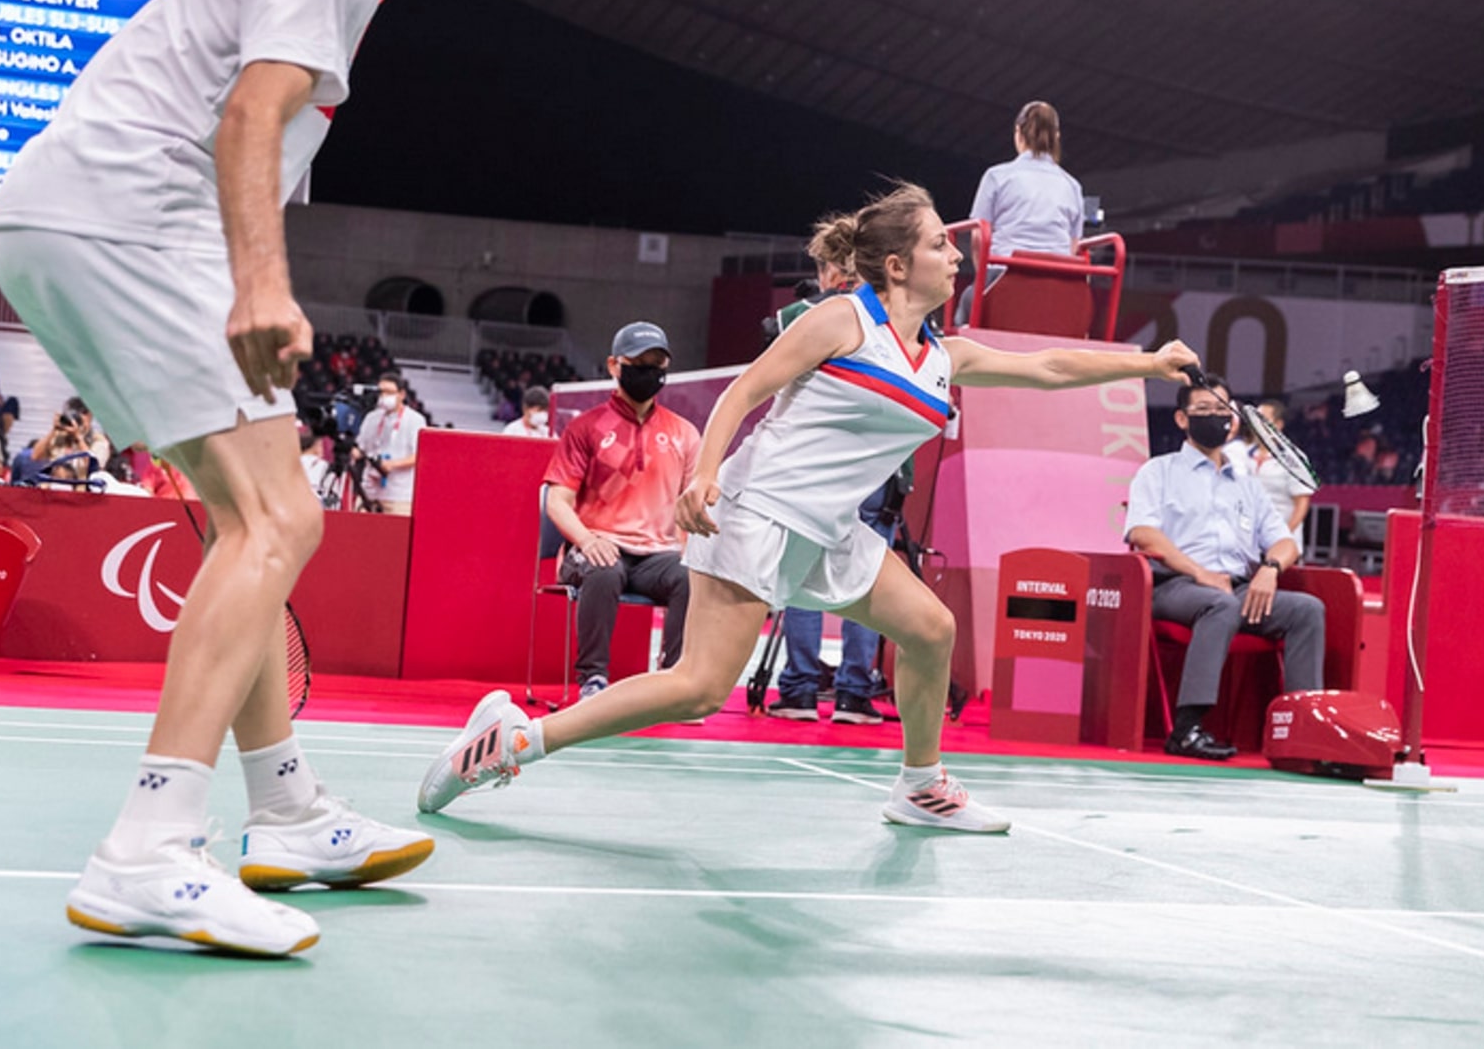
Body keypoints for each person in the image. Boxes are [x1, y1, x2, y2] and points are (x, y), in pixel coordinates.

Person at [0, 0, 492, 955]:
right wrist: (263, 286)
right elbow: (249, 119)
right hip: (123, 218)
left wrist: (245, 272)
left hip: (88, 221)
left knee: (249, 516)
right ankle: (149, 848)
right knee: (279, 520)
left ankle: (287, 809)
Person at [417, 184, 1199, 833]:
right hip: (757, 512)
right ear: (897, 264)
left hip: (828, 530)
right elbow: (742, 391)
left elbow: (1050, 364)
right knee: (697, 688)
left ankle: (919, 785)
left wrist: (1149, 362)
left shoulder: (941, 354)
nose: (954, 254)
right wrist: (705, 475)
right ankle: (512, 741)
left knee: (931, 629)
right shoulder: (843, 319)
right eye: (939, 244)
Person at [1125, 376, 1324, 762]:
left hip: (1237, 588)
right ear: (1182, 419)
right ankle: (1185, 730)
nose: (1215, 418)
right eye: (1204, 410)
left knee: (1306, 610)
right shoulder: (1159, 471)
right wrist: (1199, 573)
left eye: (1222, 410)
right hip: (1175, 588)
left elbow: (1283, 542)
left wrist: (1269, 568)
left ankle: (1303, 729)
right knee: (1221, 605)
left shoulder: (1247, 486)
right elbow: (1143, 533)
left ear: (1233, 421)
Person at [765, 216, 895, 726]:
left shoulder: (811, 314)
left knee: (800, 578)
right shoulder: (890, 318)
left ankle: (799, 689)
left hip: (817, 472)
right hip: (875, 471)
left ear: (829, 270)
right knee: (865, 582)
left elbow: (768, 340)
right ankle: (853, 694)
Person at [545, 322, 699, 700]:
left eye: (657, 363)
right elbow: (556, 500)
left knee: (689, 576)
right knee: (603, 568)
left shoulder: (684, 433)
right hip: (595, 548)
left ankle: (672, 683)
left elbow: (693, 506)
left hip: (655, 557)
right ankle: (593, 680)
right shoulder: (586, 428)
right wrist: (586, 538)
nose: (649, 372)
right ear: (614, 365)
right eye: (639, 362)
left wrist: (690, 549)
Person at [957, 101, 1084, 325]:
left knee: (964, 310)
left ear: (1018, 133)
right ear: (1057, 136)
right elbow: (1074, 247)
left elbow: (979, 236)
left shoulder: (997, 176)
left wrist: (984, 278)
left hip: (1004, 278)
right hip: (1059, 288)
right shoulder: (1072, 186)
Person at [1245, 400, 1315, 556]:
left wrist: (1282, 536)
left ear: (1278, 425)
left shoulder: (1294, 459)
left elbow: (1302, 504)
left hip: (1283, 546)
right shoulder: (1243, 454)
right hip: (1249, 544)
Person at [354, 374, 426, 514]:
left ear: (402, 394)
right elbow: (360, 448)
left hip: (399, 494)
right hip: (369, 491)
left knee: (396, 533)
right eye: (381, 392)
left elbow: (419, 455)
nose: (384, 396)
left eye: (389, 392)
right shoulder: (372, 417)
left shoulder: (415, 420)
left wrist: (392, 464)